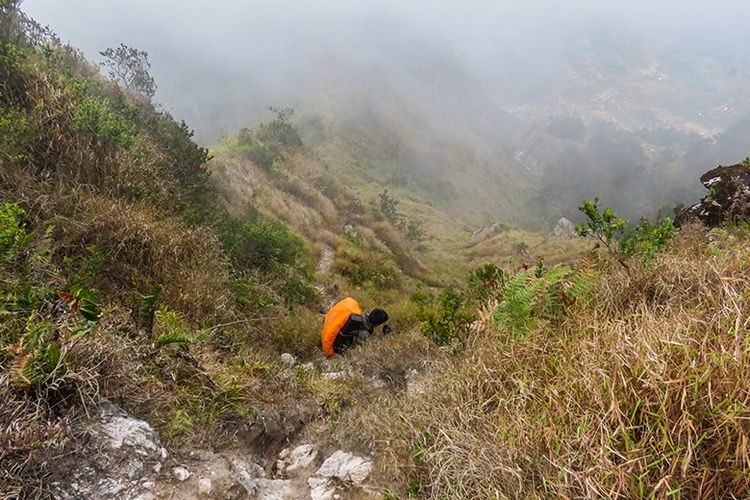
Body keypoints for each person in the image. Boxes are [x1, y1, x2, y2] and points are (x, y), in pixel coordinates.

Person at [321, 297, 390, 357]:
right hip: (338, 349)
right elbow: (370, 345)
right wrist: (383, 335)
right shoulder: (364, 334)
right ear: (377, 324)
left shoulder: (358, 315)